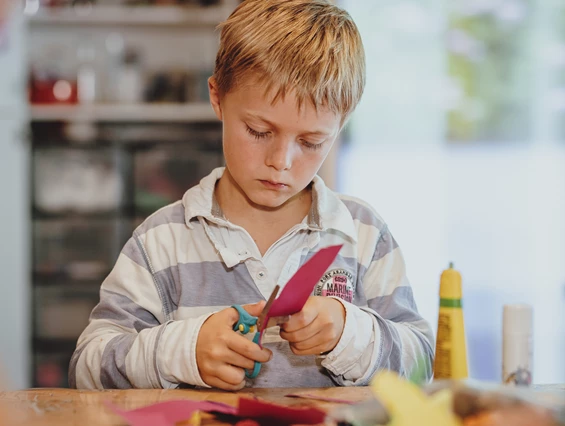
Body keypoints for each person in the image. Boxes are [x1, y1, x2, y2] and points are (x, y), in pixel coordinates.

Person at [69, 0, 434, 391]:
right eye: (259, 131)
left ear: (340, 126)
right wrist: (183, 352)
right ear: (217, 97)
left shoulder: (362, 235)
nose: (281, 161)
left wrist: (351, 334)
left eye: (311, 141)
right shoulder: (161, 241)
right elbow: (88, 368)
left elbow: (423, 363)